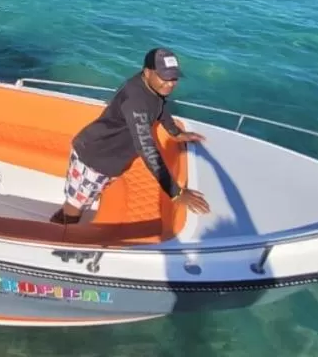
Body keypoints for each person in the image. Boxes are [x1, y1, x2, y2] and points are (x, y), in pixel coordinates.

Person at [51, 47, 211, 224]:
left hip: (110, 156)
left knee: (84, 199)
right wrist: (175, 192)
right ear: (147, 72)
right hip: (94, 158)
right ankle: (62, 237)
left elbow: (160, 105)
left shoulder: (150, 85)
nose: (171, 83)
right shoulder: (136, 100)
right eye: (165, 77)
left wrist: (175, 132)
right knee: (75, 205)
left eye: (174, 78)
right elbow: (147, 148)